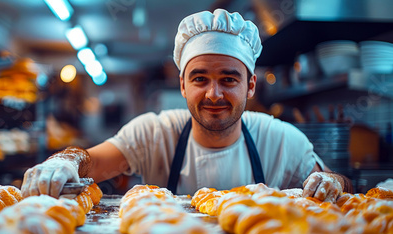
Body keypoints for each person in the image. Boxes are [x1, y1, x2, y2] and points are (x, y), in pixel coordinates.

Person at [21, 9, 352, 202]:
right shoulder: (155, 132)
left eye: (229, 79)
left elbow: (337, 186)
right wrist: (64, 160)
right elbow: (90, 161)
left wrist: (335, 182)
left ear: (250, 85)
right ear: (182, 84)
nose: (213, 94)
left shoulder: (282, 141)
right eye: (199, 79)